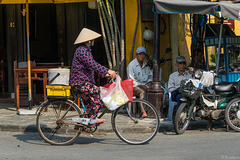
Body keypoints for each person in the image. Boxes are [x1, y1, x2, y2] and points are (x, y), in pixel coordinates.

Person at [69, 28, 116, 125]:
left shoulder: (86, 50)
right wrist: (107, 70)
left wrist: (106, 74)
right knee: (98, 95)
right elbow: (93, 65)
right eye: (92, 39)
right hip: (79, 81)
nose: (93, 41)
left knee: (92, 102)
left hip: (83, 81)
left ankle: (83, 123)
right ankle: (91, 120)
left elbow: (92, 67)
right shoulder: (82, 51)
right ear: (89, 40)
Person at [127, 46, 153, 118]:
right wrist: (142, 86)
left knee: (153, 90)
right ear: (136, 55)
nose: (141, 56)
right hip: (133, 87)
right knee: (142, 91)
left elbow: (150, 75)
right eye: (140, 54)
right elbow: (132, 80)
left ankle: (151, 111)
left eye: (143, 54)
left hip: (145, 85)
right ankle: (143, 111)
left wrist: (149, 83)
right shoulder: (131, 65)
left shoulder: (146, 65)